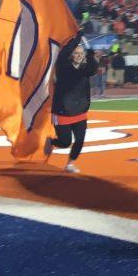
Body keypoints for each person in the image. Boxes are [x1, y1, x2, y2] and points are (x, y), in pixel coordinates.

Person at [44, 36, 99, 173]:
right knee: (65, 142)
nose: (79, 55)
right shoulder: (63, 68)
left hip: (80, 112)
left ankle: (70, 164)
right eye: (76, 53)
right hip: (62, 112)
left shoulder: (84, 70)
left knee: (79, 141)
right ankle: (51, 142)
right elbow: (63, 54)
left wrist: (91, 54)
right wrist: (77, 38)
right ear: (71, 55)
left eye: (81, 53)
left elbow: (93, 69)